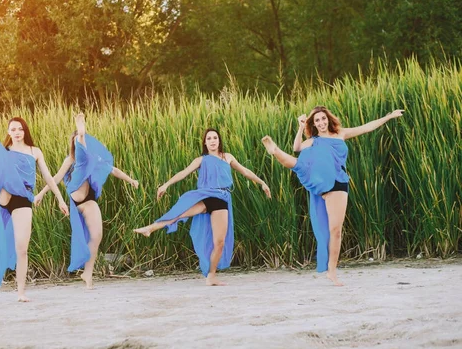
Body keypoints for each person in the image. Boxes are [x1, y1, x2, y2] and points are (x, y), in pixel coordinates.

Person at [261, 106, 404, 286]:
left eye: (323, 119)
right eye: (317, 121)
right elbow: (297, 147)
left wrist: (389, 117)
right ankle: (275, 151)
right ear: (313, 124)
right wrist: (300, 127)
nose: (321, 123)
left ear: (328, 119)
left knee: (335, 231)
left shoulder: (341, 134)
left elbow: (367, 127)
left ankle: (332, 271)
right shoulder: (313, 140)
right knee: (299, 164)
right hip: (320, 179)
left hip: (338, 182)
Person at [134, 128, 272, 286]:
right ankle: (150, 228)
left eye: (215, 137)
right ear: (205, 143)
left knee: (219, 242)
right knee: (180, 213)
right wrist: (165, 185)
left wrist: (262, 183)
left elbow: (245, 171)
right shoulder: (201, 160)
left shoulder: (227, 157)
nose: (212, 141)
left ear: (219, 140)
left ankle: (211, 276)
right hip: (206, 196)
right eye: (209, 138)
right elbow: (183, 173)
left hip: (221, 199)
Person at [0, 100, 68, 301]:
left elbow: (49, 178)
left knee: (21, 248)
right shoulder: (5, 152)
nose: (17, 132)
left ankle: (21, 292)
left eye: (20, 129)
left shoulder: (35, 151)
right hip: (4, 195)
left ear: (25, 131)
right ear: (8, 132)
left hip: (22, 198)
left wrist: (60, 199)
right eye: (13, 129)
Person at [34, 113, 138, 289]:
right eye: (76, 140)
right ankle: (81, 130)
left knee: (96, 236)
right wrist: (42, 193)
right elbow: (56, 177)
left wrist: (131, 181)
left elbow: (115, 171)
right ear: (74, 144)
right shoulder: (71, 160)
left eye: (81, 140)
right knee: (83, 162)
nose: (78, 144)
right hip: (75, 198)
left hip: (88, 201)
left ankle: (87, 273)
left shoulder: (96, 160)